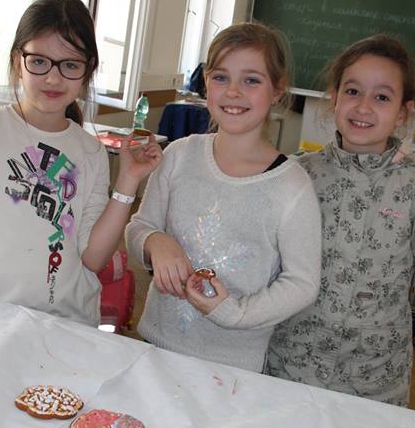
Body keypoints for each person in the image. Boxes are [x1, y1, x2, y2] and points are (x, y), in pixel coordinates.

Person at [266, 34, 415, 406]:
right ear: (334, 97)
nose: (363, 107)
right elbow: (266, 262)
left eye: (381, 97)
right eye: (352, 91)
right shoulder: (299, 174)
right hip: (292, 363)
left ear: (402, 112)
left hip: (375, 377)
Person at [0, 0, 161, 325]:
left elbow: (93, 258)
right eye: (39, 61)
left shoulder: (92, 151)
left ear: (87, 71)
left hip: (70, 323)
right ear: (18, 61)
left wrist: (127, 181)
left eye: (70, 65)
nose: (53, 78)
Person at [125, 21, 322, 372]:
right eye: (220, 77)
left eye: (251, 80)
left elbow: (302, 283)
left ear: (277, 90)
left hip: (232, 367)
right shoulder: (178, 155)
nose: (233, 91)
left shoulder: (292, 186)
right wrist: (155, 241)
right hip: (156, 346)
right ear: (206, 83)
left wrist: (235, 313)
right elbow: (138, 227)